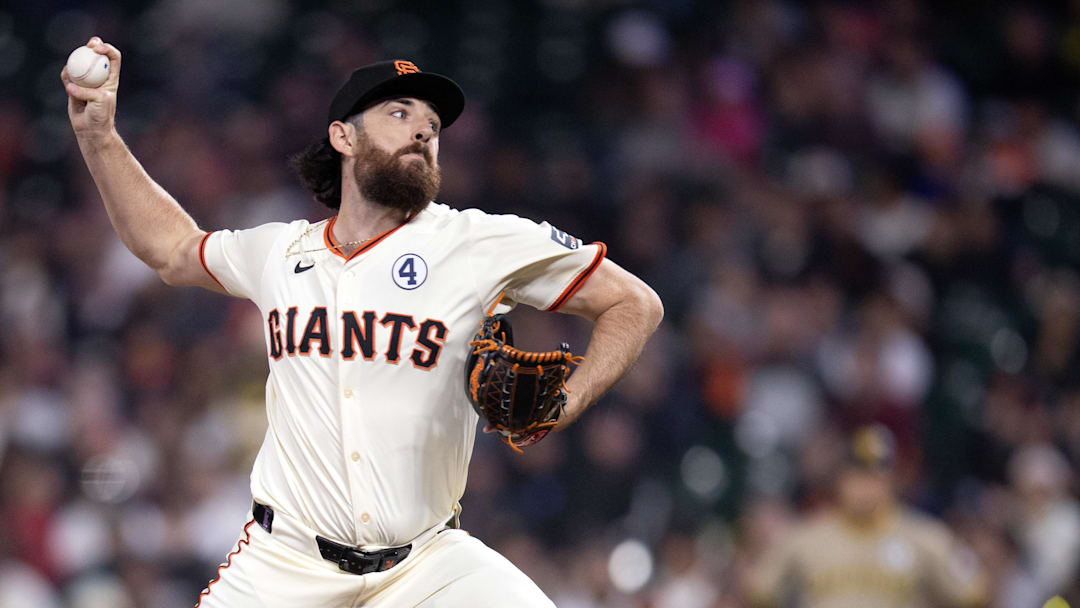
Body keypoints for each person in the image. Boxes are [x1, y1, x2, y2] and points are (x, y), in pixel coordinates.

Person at [61, 38, 663, 607]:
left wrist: (570, 401)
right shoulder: (280, 253)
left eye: (433, 125)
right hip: (285, 566)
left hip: (428, 565)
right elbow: (170, 248)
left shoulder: (478, 241)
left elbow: (635, 303)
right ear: (342, 136)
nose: (425, 130)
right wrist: (99, 136)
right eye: (400, 113)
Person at [743, 424, 988, 608]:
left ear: (892, 481)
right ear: (840, 481)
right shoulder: (805, 537)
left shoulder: (925, 536)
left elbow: (973, 593)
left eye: (874, 478)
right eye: (856, 477)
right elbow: (758, 592)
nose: (865, 488)